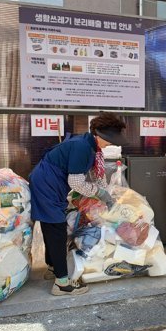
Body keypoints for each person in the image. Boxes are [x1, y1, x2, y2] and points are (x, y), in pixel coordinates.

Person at [30, 113, 128, 296]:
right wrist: (101, 194)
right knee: (56, 229)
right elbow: (76, 182)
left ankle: (53, 268)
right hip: (47, 185)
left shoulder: (90, 146)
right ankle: (61, 284)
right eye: (109, 140)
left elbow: (96, 177)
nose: (110, 144)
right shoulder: (82, 147)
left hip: (51, 183)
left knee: (53, 227)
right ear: (98, 135)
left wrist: (107, 194)